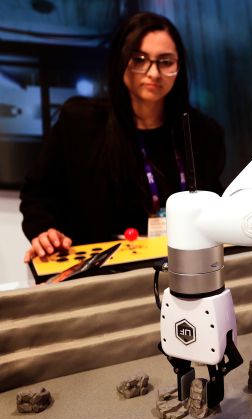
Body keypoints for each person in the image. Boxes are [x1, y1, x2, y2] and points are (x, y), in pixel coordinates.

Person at [20, 12, 225, 262]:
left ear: (179, 66)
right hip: (97, 273)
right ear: (121, 60)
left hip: (182, 267)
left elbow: (214, 206)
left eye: (165, 62)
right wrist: (44, 231)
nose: (153, 73)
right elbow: (38, 194)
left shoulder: (201, 131)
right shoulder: (80, 123)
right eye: (139, 60)